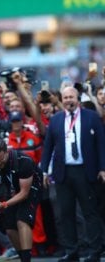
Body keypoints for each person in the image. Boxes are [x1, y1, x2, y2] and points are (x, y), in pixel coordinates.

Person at [41, 86, 105, 262]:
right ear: (62, 99)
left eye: (71, 97)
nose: (68, 100)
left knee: (89, 212)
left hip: (86, 171)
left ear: (77, 98)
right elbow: (48, 148)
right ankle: (71, 250)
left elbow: (101, 144)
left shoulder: (91, 117)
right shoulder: (55, 120)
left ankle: (95, 251)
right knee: (65, 213)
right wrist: (45, 170)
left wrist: (103, 168)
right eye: (65, 97)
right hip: (63, 172)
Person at [0, 139, 41, 262]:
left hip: (31, 188)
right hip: (11, 189)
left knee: (22, 220)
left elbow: (24, 193)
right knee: (10, 228)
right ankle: (22, 256)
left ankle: (27, 259)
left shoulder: (23, 161)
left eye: (0, 160)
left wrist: (5, 204)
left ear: (7, 152)